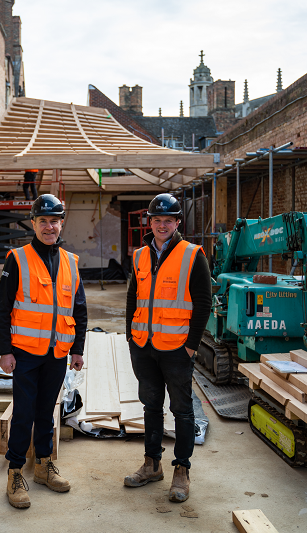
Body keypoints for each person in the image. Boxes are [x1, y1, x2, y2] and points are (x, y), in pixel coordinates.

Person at [0, 193, 87, 509]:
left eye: (54, 220)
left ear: (62, 223)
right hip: (26, 353)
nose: (49, 227)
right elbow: (2, 308)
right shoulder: (17, 259)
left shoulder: (71, 263)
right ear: (33, 223)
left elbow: (80, 309)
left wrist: (77, 349)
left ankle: (44, 466)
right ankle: (16, 471)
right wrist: (5, 351)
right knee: (23, 413)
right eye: (43, 221)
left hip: (57, 353)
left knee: (48, 411)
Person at [123, 193, 211, 503]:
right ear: (150, 222)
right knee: (150, 406)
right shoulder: (140, 256)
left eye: (168, 220)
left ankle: (181, 470)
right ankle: (152, 464)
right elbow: (133, 297)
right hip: (144, 346)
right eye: (157, 220)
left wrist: (191, 346)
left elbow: (203, 303)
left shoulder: (192, 254)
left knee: (182, 411)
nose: (162, 225)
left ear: (177, 223)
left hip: (176, 348)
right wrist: (129, 337)